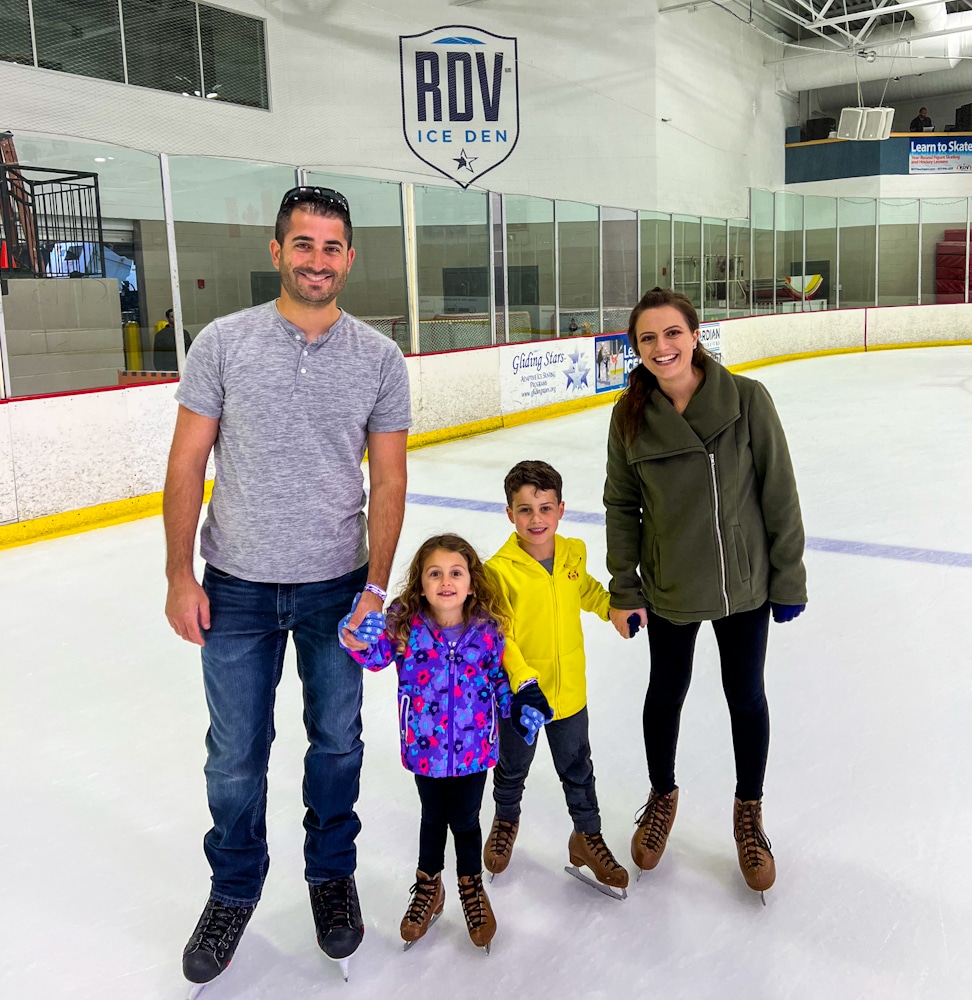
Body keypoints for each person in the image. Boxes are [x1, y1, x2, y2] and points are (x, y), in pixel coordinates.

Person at [163, 185, 411, 989]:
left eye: (331, 246)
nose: (316, 259)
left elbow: (391, 477)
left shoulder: (378, 358)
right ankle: (234, 886)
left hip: (337, 590)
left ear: (348, 257)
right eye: (302, 244)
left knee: (337, 742)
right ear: (277, 252)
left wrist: (375, 588)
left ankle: (329, 874)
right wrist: (177, 573)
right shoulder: (224, 343)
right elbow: (185, 463)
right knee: (235, 756)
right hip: (233, 587)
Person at [603, 287, 807, 899]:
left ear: (695, 335)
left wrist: (788, 576)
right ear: (636, 349)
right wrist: (623, 586)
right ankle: (661, 796)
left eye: (671, 334)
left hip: (744, 585)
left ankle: (749, 812)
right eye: (647, 338)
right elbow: (621, 505)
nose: (661, 347)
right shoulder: (631, 415)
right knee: (665, 693)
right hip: (670, 588)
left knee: (746, 697)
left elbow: (780, 492)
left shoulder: (746, 400)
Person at [346, 533, 518, 952]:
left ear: (471, 582)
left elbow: (498, 679)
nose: (446, 581)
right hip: (425, 747)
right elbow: (374, 656)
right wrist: (355, 637)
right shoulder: (405, 625)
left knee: (465, 817)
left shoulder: (487, 630)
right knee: (432, 816)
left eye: (456, 573)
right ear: (420, 583)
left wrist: (518, 708)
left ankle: (470, 886)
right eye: (435, 573)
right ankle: (429, 887)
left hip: (476, 749)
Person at [483, 460, 633, 898]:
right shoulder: (498, 570)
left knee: (577, 768)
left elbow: (583, 588)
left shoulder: (572, 553)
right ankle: (505, 821)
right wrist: (523, 682)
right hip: (520, 698)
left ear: (561, 509)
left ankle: (586, 837)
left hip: (568, 692)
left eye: (545, 508)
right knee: (512, 769)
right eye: (525, 509)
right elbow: (502, 635)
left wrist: (611, 608)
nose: (536, 519)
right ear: (510, 514)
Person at [153, 308, 192, 372]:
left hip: (183, 368)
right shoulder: (161, 335)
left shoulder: (184, 333)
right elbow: (157, 355)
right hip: (168, 369)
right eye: (172, 317)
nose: (175, 319)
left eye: (176, 316)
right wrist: (160, 369)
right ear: (168, 319)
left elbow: (189, 350)